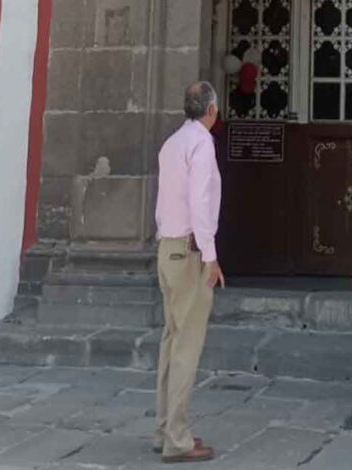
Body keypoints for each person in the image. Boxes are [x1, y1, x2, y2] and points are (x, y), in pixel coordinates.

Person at [153, 81, 225, 464]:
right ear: (211, 109)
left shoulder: (171, 144)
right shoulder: (202, 143)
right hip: (188, 252)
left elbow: (164, 200)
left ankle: (165, 428)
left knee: (170, 340)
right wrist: (210, 256)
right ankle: (178, 439)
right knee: (186, 347)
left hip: (168, 248)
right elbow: (200, 200)